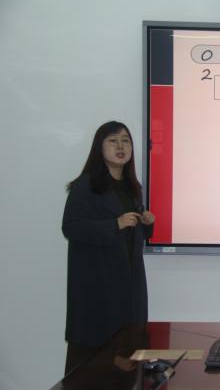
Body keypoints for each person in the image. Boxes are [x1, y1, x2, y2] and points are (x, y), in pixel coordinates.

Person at [62, 121, 154, 374]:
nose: (120, 146)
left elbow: (131, 235)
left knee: (128, 369)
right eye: (113, 141)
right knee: (94, 370)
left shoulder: (133, 187)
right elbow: (71, 228)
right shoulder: (86, 185)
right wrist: (115, 224)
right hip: (97, 287)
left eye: (126, 140)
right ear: (99, 147)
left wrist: (147, 224)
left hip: (129, 284)